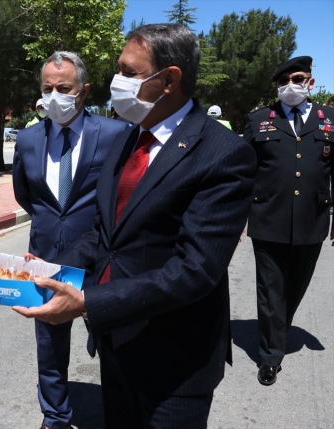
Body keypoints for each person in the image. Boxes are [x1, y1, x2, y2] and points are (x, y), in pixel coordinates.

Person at [13, 24, 257, 429]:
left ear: (169, 80)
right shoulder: (129, 140)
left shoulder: (224, 154)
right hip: (118, 345)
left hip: (176, 361)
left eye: (128, 72)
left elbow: (196, 270)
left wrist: (90, 303)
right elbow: (103, 233)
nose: (117, 81)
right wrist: (55, 269)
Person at [13, 51, 129, 429]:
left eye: (63, 88)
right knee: (49, 343)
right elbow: (26, 196)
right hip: (46, 257)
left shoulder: (115, 134)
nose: (54, 96)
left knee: (112, 339)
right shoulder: (29, 139)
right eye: (47, 89)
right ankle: (56, 416)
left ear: (84, 91)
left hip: (100, 258)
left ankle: (123, 409)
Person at [243, 56, 334, 386]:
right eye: (283, 82)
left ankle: (277, 328)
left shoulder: (330, 120)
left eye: (296, 78)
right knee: (271, 290)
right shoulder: (259, 120)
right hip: (268, 218)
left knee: (294, 288)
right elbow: (242, 170)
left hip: (313, 219)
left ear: (310, 81)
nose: (289, 85)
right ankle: (270, 356)